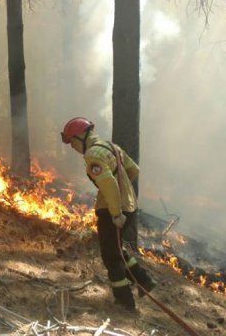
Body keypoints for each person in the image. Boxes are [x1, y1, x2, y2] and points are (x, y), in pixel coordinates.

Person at [61, 117, 156, 311]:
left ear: (81, 136)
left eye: (72, 142)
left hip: (112, 210)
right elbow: (133, 170)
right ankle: (143, 280)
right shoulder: (112, 147)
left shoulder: (92, 155)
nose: (72, 147)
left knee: (110, 257)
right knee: (117, 248)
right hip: (130, 205)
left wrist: (115, 213)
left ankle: (124, 302)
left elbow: (109, 184)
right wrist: (123, 191)